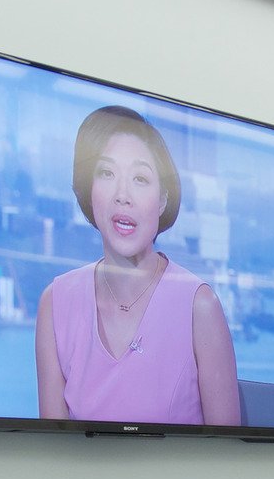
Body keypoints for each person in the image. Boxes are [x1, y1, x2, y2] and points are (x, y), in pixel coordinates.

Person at [35, 105, 241, 426]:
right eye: (106, 173)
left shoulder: (199, 307)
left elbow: (230, 464)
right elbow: (52, 455)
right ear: (90, 190)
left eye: (140, 178)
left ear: (162, 200)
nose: (123, 195)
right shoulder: (56, 302)